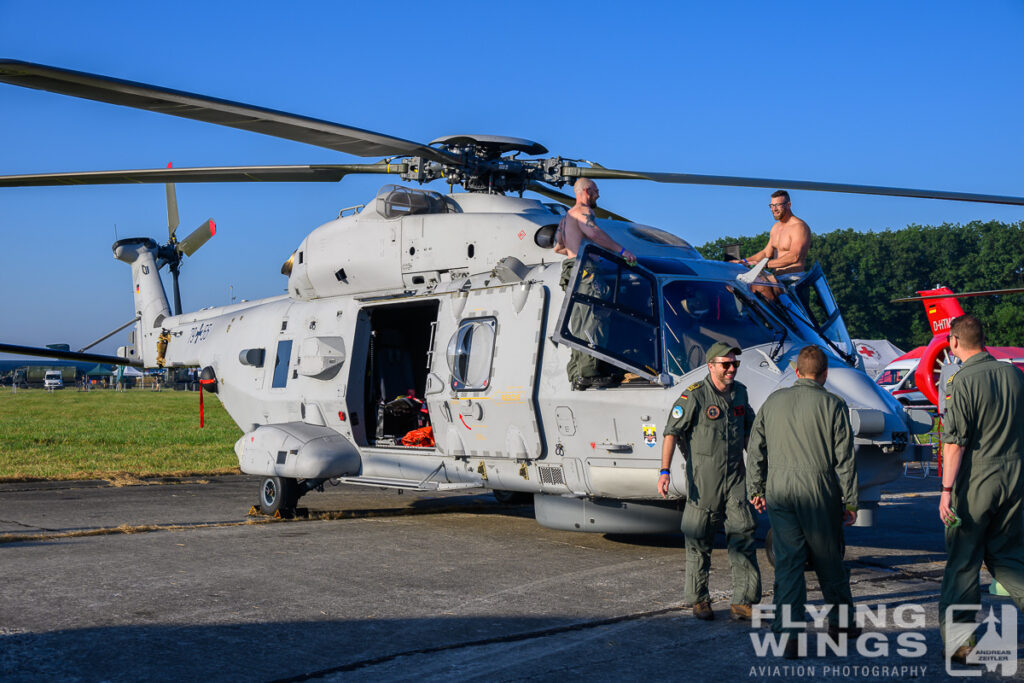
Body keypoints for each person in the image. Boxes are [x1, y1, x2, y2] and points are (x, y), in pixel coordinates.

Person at [746, 345, 858, 659]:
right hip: (818, 489)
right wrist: (850, 501)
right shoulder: (834, 405)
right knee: (829, 560)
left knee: (788, 564)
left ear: (796, 372)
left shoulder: (774, 401)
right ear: (825, 374)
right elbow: (845, 459)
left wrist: (755, 487)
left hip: (779, 489)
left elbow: (756, 448)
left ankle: (788, 635)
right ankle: (842, 623)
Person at [937, 315, 1024, 664]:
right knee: (1010, 558)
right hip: (1015, 477)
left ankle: (960, 640)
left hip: (978, 479)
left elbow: (955, 443)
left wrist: (945, 490)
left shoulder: (961, 381)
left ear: (955, 343)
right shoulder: (1014, 374)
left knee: (963, 561)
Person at [658, 341, 761, 621]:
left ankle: (743, 601)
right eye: (726, 364)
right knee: (699, 538)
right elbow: (671, 432)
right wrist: (664, 471)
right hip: (704, 480)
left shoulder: (740, 394)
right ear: (711, 366)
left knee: (743, 533)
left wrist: (759, 471)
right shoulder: (695, 396)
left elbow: (751, 433)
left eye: (734, 364)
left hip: (735, 477)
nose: (731, 369)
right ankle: (700, 600)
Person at [553, 178, 637, 389]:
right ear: (587, 190)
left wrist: (577, 249)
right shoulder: (583, 212)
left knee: (579, 321)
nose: (598, 195)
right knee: (594, 318)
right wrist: (621, 250)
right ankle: (590, 371)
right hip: (587, 272)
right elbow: (593, 232)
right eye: (597, 191)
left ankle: (578, 372)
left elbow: (557, 247)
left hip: (572, 269)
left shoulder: (565, 219)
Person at [742, 190, 811, 276]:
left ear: (788, 205)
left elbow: (794, 256)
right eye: (772, 205)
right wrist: (744, 261)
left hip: (794, 280)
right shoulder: (775, 227)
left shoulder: (799, 227)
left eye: (778, 205)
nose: (774, 209)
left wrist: (764, 265)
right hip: (778, 280)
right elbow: (766, 253)